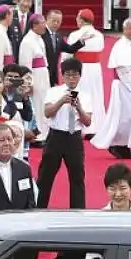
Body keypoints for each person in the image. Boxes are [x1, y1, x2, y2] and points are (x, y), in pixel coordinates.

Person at [36, 58, 92, 209]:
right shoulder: (54, 92)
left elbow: (88, 122)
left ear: (80, 76)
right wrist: (61, 101)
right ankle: (38, 207)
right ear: (63, 76)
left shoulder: (86, 96)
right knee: (46, 175)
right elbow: (47, 113)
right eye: (68, 75)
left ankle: (78, 211)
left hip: (74, 138)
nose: (71, 79)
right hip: (56, 136)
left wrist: (79, 107)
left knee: (77, 177)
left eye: (75, 75)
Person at [91, 19, 131, 160]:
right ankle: (115, 144)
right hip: (124, 85)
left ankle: (125, 146)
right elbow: (122, 69)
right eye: (130, 28)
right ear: (124, 29)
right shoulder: (120, 46)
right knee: (125, 117)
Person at [65, 10, 104, 138]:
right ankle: (96, 126)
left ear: (81, 20)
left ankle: (76, 126)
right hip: (95, 69)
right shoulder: (99, 35)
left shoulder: (75, 34)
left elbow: (68, 54)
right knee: (95, 95)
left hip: (80, 68)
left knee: (78, 94)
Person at [0, 123, 36, 211]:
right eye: (2, 140)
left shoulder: (23, 168)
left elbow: (30, 202)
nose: (7, 143)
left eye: (9, 139)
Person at [19, 14, 51, 143]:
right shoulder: (27, 41)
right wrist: (28, 83)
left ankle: (45, 130)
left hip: (43, 75)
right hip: (35, 76)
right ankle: (38, 132)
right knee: (37, 104)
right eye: (42, 23)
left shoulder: (39, 39)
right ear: (35, 25)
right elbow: (25, 64)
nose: (45, 26)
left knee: (44, 102)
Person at [43, 10, 87, 87]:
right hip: (41, 72)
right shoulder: (41, 33)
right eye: (54, 21)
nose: (56, 24)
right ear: (47, 19)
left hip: (53, 73)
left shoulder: (58, 36)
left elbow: (69, 49)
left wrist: (81, 41)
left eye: (58, 21)